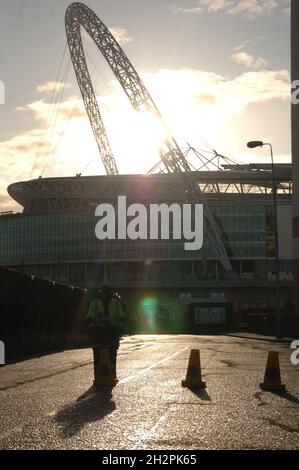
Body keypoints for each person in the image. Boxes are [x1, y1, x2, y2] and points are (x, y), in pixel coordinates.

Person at [86, 285, 125, 384]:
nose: (105, 294)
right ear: (101, 292)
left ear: (109, 292)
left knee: (112, 354)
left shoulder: (115, 303)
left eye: (106, 292)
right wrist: (92, 327)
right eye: (103, 292)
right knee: (97, 354)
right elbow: (90, 315)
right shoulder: (95, 302)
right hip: (99, 332)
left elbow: (121, 315)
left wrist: (118, 327)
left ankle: (112, 375)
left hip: (111, 331)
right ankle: (97, 375)